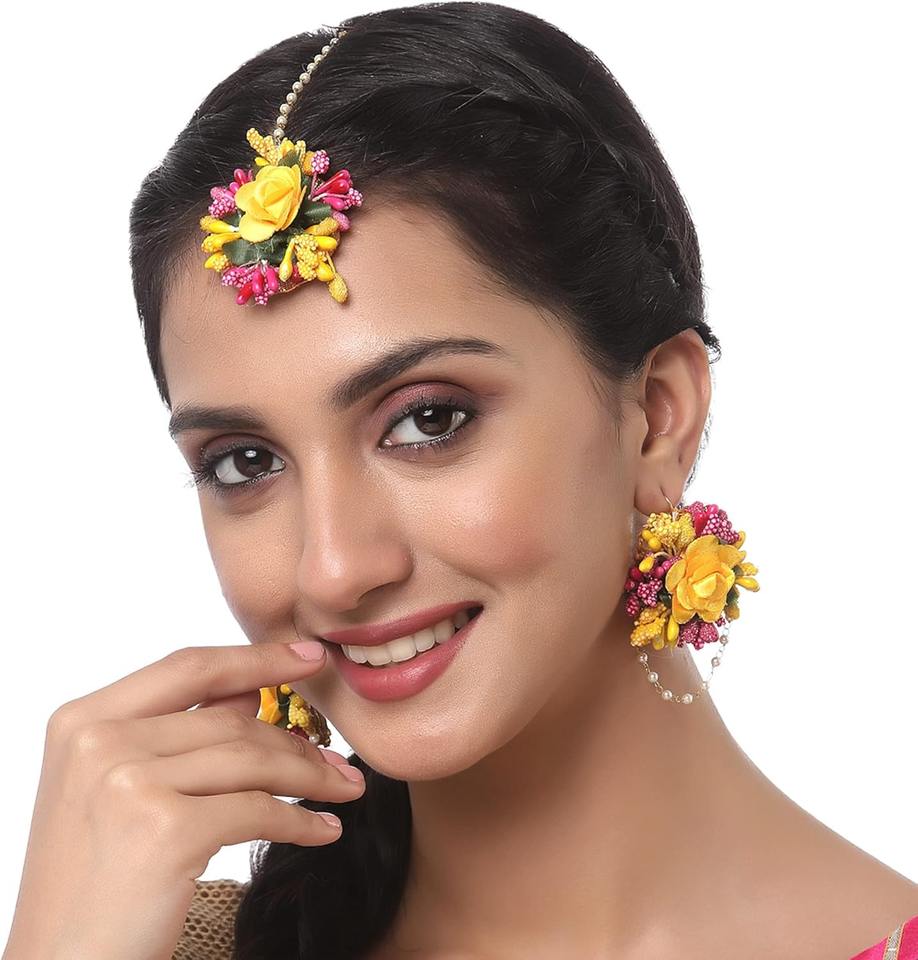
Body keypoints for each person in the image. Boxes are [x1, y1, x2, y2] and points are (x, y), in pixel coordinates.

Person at [4, 4, 916, 960]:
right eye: (247, 461)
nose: (332, 570)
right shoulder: (156, 944)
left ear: (657, 415)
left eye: (428, 420)